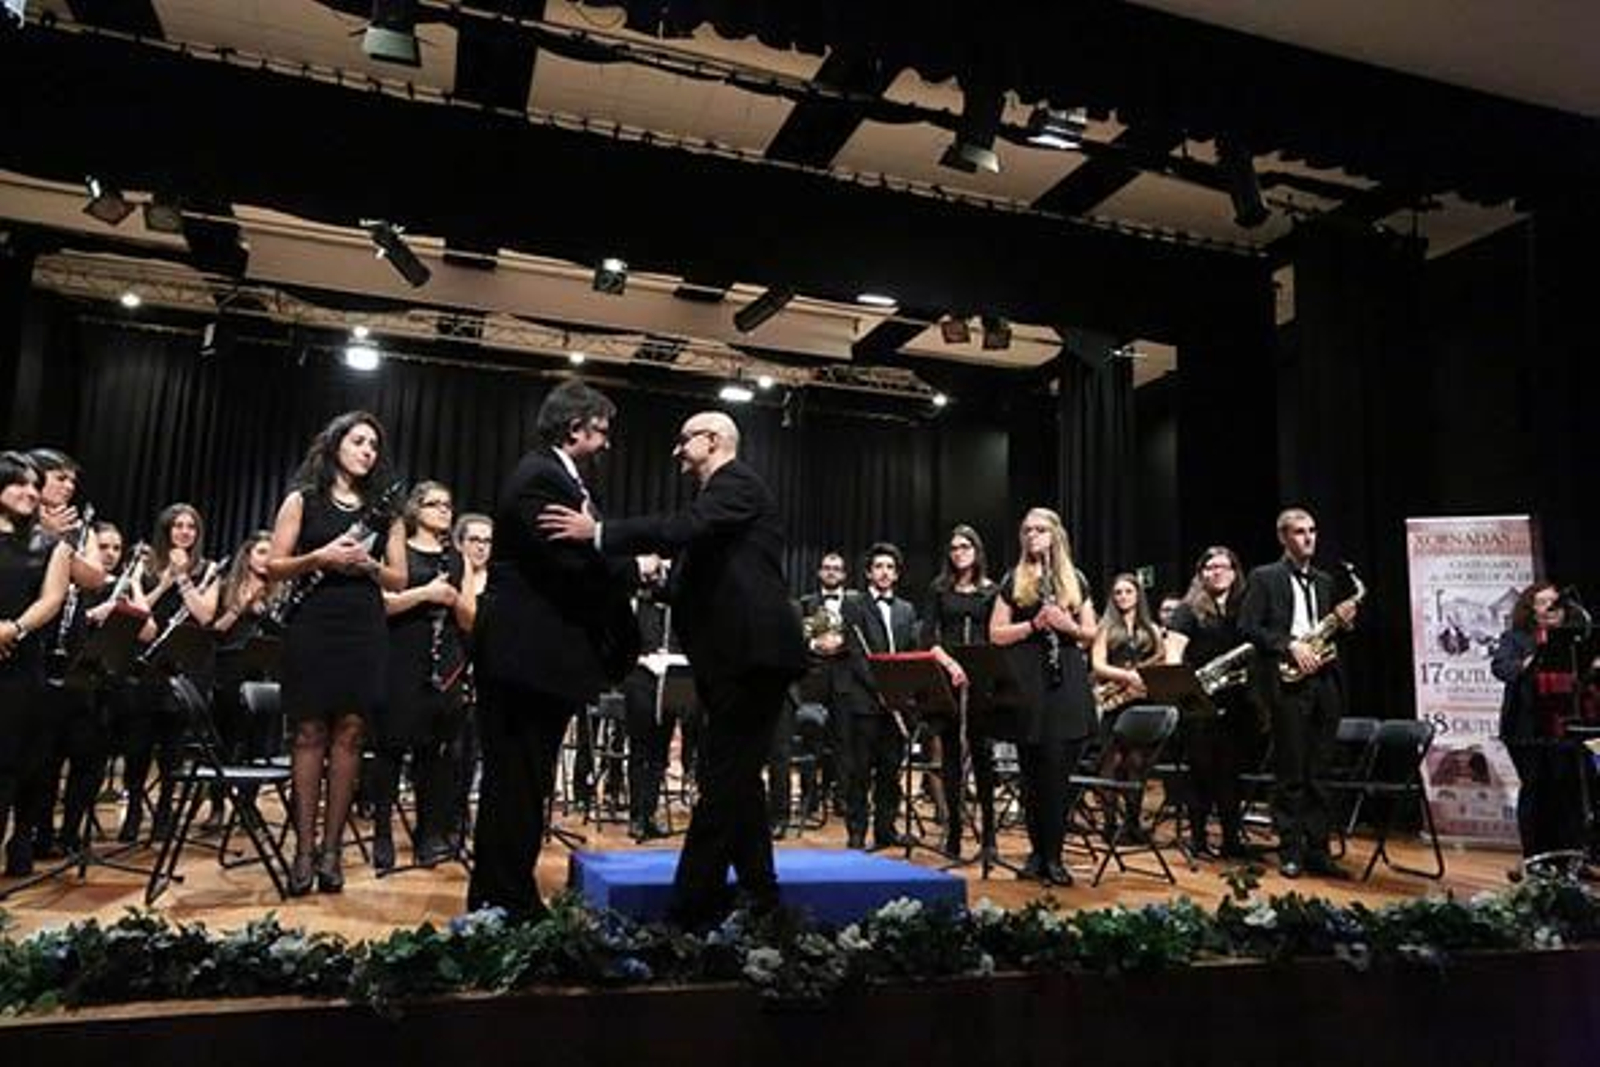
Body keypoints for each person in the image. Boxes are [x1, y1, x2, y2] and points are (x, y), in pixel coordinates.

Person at [540, 409, 807, 929]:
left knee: (722, 779)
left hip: (752, 657)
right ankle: (762, 894)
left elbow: (681, 530)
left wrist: (600, 535)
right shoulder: (719, 499)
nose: (677, 450)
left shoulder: (737, 485)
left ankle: (688, 910)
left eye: (685, 440)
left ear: (713, 440)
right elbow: (689, 583)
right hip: (734, 658)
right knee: (736, 778)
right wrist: (639, 581)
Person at [469, 381, 641, 922]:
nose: (608, 444)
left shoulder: (559, 478)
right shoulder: (540, 478)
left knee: (526, 780)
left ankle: (506, 893)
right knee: (515, 782)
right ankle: (503, 899)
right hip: (525, 659)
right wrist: (637, 567)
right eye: (603, 431)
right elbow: (568, 565)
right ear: (576, 428)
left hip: (539, 661)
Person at [268, 412, 407, 895]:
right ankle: (303, 851)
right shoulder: (301, 500)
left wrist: (370, 564)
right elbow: (273, 566)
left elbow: (400, 579)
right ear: (335, 445)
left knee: (349, 733)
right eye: (358, 441)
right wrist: (319, 558)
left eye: (374, 444)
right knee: (309, 732)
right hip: (313, 623)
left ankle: (332, 851)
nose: (368, 450)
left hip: (363, 624)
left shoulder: (386, 512)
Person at [1238, 507, 1359, 880]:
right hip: (1286, 680)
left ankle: (1318, 850)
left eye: (1312, 531)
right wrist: (1289, 644)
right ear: (1283, 537)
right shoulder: (1264, 577)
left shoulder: (1324, 581)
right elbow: (1247, 626)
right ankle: (1290, 849)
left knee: (1321, 768)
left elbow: (1328, 631)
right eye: (1299, 532)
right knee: (1291, 769)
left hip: (1324, 680)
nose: (1309, 538)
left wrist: (1344, 623)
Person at [988, 507, 1097, 885]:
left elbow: (1091, 633)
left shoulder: (1074, 579)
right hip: (1026, 685)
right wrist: (1032, 625)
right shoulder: (1013, 579)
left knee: (1056, 775)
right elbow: (996, 633)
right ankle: (1036, 854)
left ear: (1054, 535)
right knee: (1031, 775)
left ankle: (1054, 855)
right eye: (1026, 530)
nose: (1032, 536)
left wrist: (1067, 625)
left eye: (1039, 530)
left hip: (1064, 685)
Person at [374, 481, 476, 870]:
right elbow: (381, 605)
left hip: (445, 664)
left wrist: (455, 601)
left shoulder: (457, 560)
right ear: (416, 510)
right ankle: (382, 832)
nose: (444, 511)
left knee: (435, 753)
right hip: (400, 655)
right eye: (434, 504)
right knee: (391, 747)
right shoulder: (398, 548)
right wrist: (426, 595)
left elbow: (469, 618)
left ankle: (429, 832)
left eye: (448, 505)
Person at [0, 453, 72, 875]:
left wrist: (11, 629)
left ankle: (20, 838)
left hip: (22, 664)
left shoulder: (51, 546)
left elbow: (52, 599)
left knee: (14, 762)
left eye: (34, 485)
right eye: (19, 484)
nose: (31, 492)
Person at [1492, 582, 1597, 871]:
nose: (1551, 609)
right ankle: (1536, 859)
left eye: (1556, 603)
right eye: (1543, 603)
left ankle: (1574, 858)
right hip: (1526, 729)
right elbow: (1502, 668)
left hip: (1567, 727)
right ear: (1530, 609)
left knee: (1571, 792)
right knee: (1537, 791)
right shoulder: (1515, 638)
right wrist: (1529, 660)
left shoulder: (1577, 641)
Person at [1166, 545, 1261, 858]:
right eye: (1210, 567)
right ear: (1201, 574)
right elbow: (1173, 657)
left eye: (1224, 566)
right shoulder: (1187, 611)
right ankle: (1199, 840)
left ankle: (1232, 841)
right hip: (1200, 703)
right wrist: (1188, 693)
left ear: (1235, 573)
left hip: (1239, 703)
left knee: (1232, 774)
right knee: (1201, 774)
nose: (1217, 572)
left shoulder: (1244, 609)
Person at [923, 524, 998, 858]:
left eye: (965, 546)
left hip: (982, 679)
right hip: (948, 677)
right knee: (951, 756)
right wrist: (951, 665)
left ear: (977, 550)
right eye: (954, 548)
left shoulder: (991, 591)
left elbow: (996, 635)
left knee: (983, 756)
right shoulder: (939, 589)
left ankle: (990, 838)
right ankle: (953, 832)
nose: (959, 552)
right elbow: (928, 637)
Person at [1089, 572, 1167, 841]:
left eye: (1128, 592)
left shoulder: (1153, 629)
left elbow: (1162, 661)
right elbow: (1097, 664)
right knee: (1111, 762)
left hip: (1142, 700)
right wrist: (1126, 676)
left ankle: (1133, 823)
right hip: (1116, 700)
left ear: (1138, 595)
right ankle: (1110, 824)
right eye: (1118, 592)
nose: (1123, 597)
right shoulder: (1106, 626)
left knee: (1137, 763)